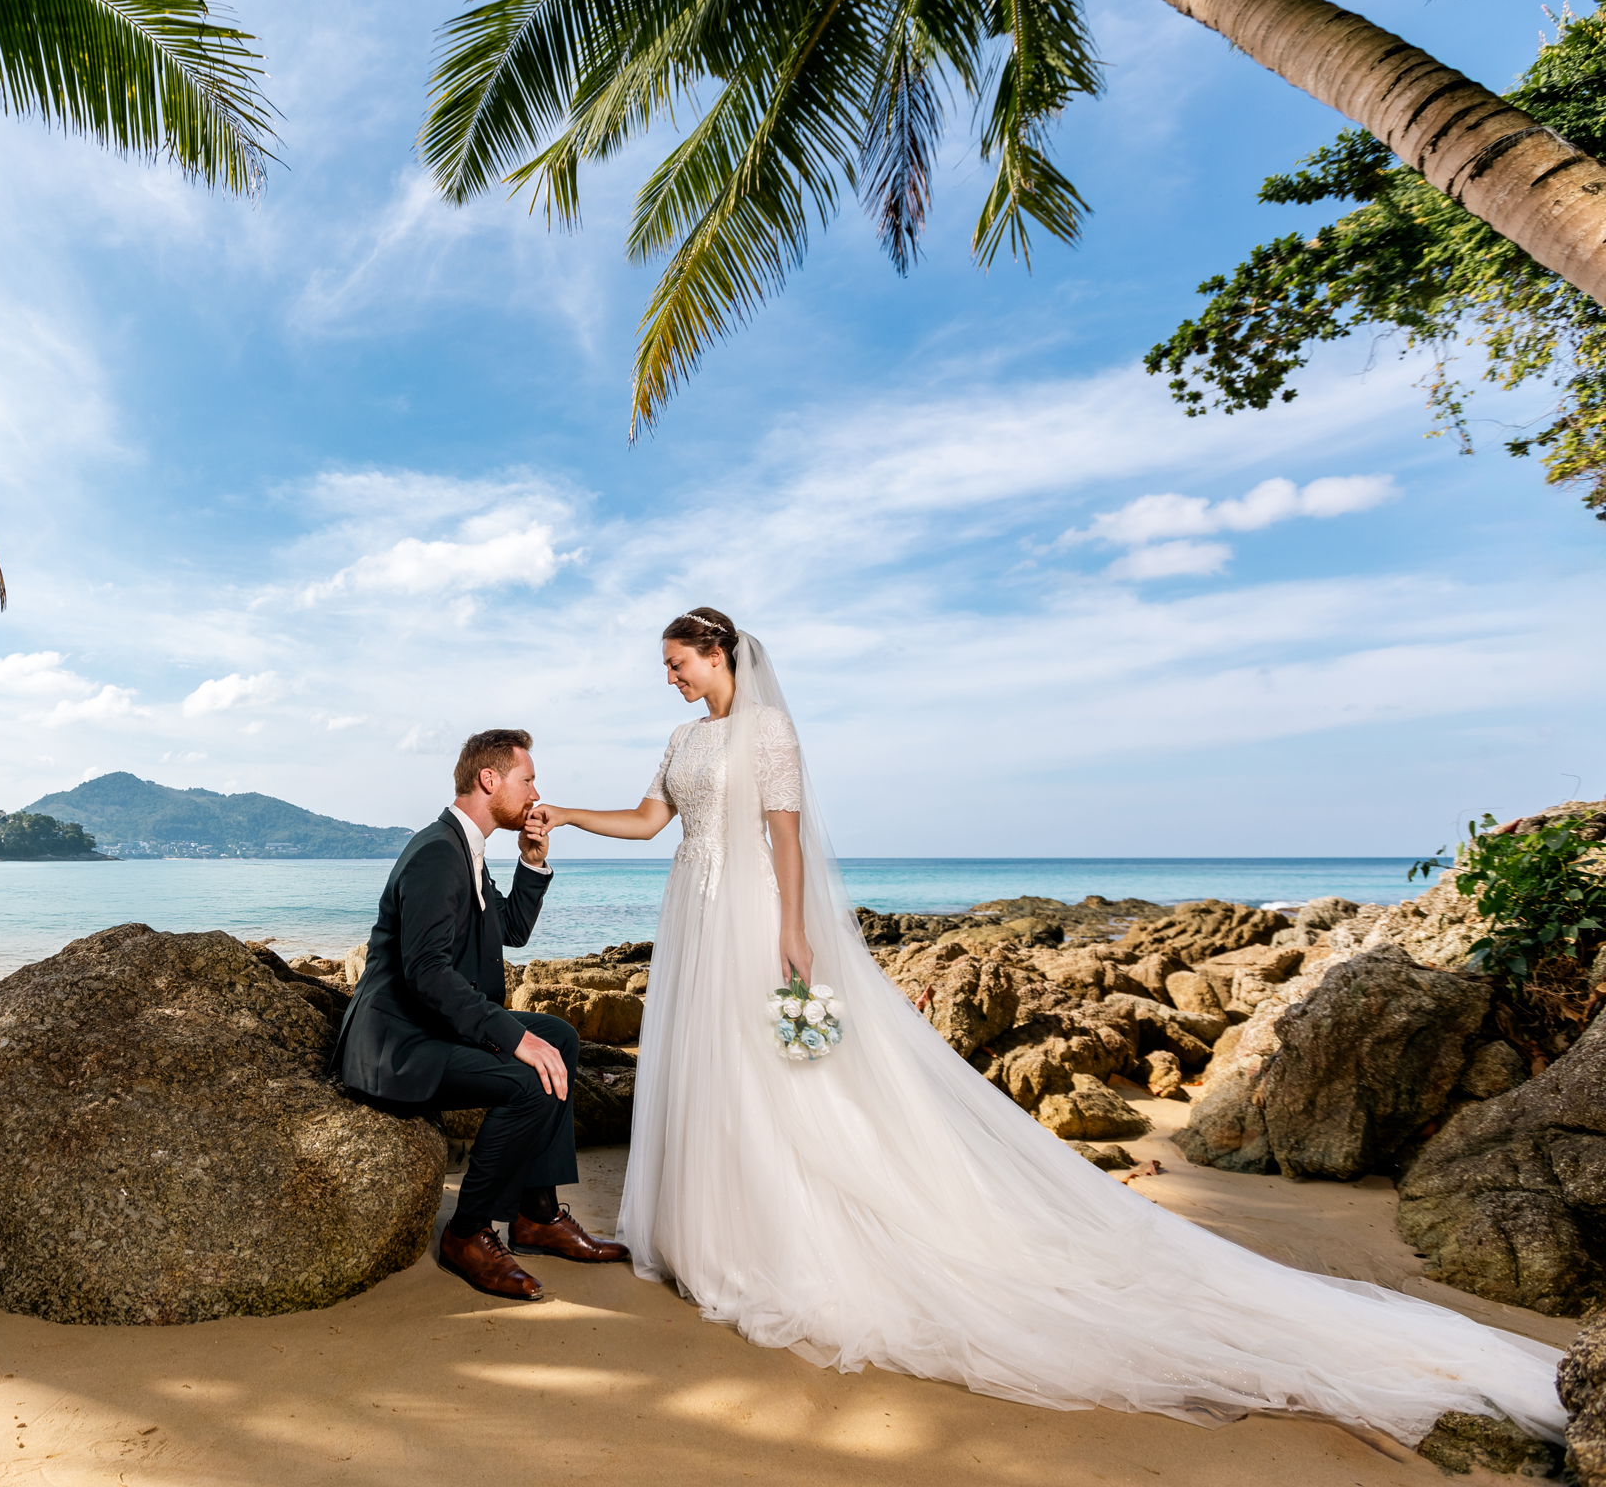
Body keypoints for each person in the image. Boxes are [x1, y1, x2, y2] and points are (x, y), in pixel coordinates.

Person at [524, 606, 1566, 1445]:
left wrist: (795, 932)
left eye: (676, 661)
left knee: (782, 1074)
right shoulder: (682, 739)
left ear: (717, 652)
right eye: (666, 668)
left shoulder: (773, 730)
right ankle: (715, 1232)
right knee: (716, 1073)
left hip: (753, 911)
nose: (669, 677)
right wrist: (567, 813)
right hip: (693, 916)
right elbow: (656, 820)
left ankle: (780, 1229)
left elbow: (785, 838)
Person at [332, 728, 630, 1300]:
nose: (536, 791)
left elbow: (509, 931)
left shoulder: (469, 848)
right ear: (489, 780)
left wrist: (533, 865)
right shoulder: (437, 853)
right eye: (528, 778)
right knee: (530, 1079)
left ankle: (536, 1215)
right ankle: (467, 1234)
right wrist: (511, 1039)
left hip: (430, 1026)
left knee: (559, 1037)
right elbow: (427, 971)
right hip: (397, 1044)